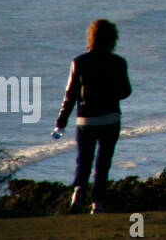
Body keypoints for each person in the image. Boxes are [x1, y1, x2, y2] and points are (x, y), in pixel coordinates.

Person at [53, 19, 132, 214]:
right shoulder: (119, 63)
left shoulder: (79, 62)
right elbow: (126, 91)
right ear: (112, 39)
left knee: (84, 161)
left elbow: (70, 95)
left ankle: (78, 194)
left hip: (86, 119)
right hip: (111, 118)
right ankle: (97, 204)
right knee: (103, 163)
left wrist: (61, 121)